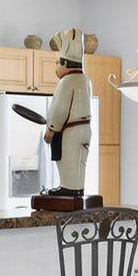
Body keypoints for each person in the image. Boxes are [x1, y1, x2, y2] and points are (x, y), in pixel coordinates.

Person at [42, 29, 93, 198]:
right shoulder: (86, 80)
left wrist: (51, 130)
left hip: (70, 131)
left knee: (68, 160)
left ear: (64, 63)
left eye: (57, 62)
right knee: (80, 162)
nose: (56, 67)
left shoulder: (66, 81)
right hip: (85, 129)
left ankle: (68, 189)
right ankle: (77, 189)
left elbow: (60, 109)